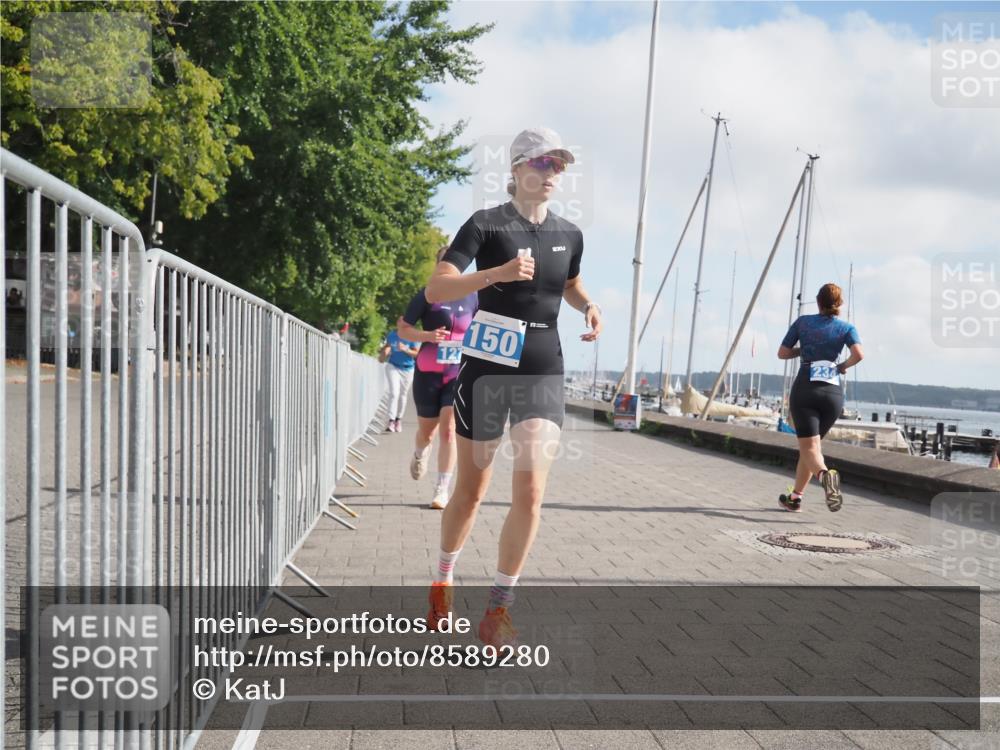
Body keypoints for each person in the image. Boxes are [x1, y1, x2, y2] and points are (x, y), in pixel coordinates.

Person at [421, 127, 602, 648]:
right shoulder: (485, 224)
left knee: (531, 489)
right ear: (518, 169)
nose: (552, 174)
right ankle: (443, 577)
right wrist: (494, 273)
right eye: (543, 164)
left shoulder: (571, 233)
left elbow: (567, 283)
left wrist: (587, 303)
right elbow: (437, 287)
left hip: (543, 366)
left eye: (559, 166)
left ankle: (498, 610)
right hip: (488, 368)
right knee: (472, 490)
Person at [397, 247, 478, 509]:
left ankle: (442, 489)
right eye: (447, 262)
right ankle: (420, 452)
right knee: (427, 432)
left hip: (458, 372)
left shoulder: (474, 296)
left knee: (449, 429)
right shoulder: (428, 294)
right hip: (428, 371)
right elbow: (403, 329)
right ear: (438, 266)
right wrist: (428, 337)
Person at [777, 283, 864, 512]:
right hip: (833, 394)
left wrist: (802, 350)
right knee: (812, 448)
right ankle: (795, 497)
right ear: (840, 304)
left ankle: (826, 478)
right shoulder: (846, 328)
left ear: (818, 302)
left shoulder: (803, 322)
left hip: (806, 388)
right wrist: (842, 366)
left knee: (809, 448)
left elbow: (783, 353)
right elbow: (859, 354)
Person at [380, 328, 418, 432]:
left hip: (408, 369)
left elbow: (417, 354)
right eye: (399, 321)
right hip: (393, 366)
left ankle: (398, 419)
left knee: (402, 394)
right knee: (394, 393)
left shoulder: (412, 335)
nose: (401, 324)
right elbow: (387, 346)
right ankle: (391, 421)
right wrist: (385, 352)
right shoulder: (392, 335)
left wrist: (405, 349)